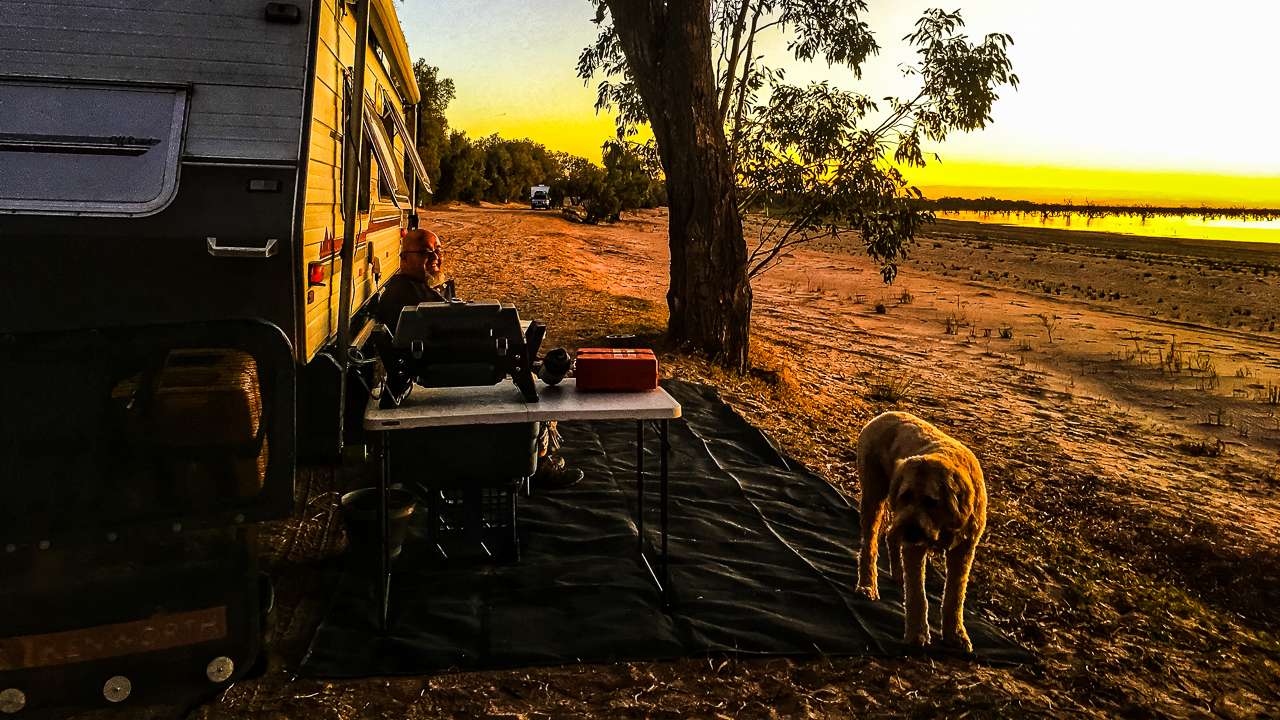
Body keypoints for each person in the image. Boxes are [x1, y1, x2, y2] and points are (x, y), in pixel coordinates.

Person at [375, 228, 583, 490]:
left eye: (439, 251)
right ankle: (537, 462)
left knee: (528, 365)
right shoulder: (408, 297)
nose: (436, 257)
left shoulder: (409, 289)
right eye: (427, 253)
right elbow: (450, 339)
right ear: (404, 257)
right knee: (530, 380)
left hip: (441, 370)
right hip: (452, 374)